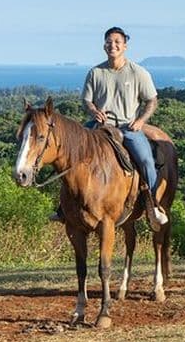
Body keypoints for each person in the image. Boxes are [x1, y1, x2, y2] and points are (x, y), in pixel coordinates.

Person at [51, 26, 169, 229]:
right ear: (104, 45)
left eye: (117, 42)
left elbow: (152, 101)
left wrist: (141, 121)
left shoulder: (138, 72)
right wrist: (93, 111)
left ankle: (153, 204)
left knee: (146, 160)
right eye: (108, 42)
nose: (112, 45)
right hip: (99, 127)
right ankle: (64, 207)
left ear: (125, 46)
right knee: (69, 153)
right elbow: (87, 100)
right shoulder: (95, 72)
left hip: (128, 128)